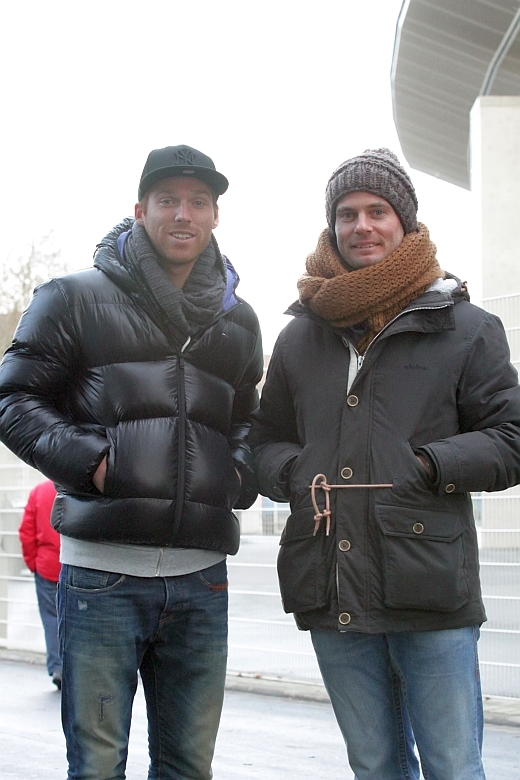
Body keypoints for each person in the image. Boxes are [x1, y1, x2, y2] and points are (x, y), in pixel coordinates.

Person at [250, 148, 520, 780]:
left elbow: (511, 436)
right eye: (347, 214)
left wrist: (427, 464)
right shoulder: (299, 337)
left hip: (430, 586)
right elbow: (263, 440)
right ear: (332, 225)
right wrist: (293, 473)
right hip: (331, 582)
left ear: (405, 220)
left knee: (454, 767)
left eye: (378, 211)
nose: (362, 226)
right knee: (374, 766)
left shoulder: (466, 328)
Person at [0, 144, 263, 780]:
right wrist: (98, 464)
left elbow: (251, 416)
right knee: (96, 767)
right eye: (168, 200)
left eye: (198, 202)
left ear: (216, 215)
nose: (183, 214)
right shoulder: (72, 298)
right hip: (101, 579)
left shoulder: (239, 321)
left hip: (202, 580)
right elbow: (13, 398)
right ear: (140, 210)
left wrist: (235, 475)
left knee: (188, 768)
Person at [19, 478, 62, 689]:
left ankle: (58, 667)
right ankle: (77, 670)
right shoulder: (78, 487)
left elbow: (26, 532)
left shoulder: (39, 491)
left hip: (47, 567)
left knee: (51, 618)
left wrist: (33, 563)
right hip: (77, 567)